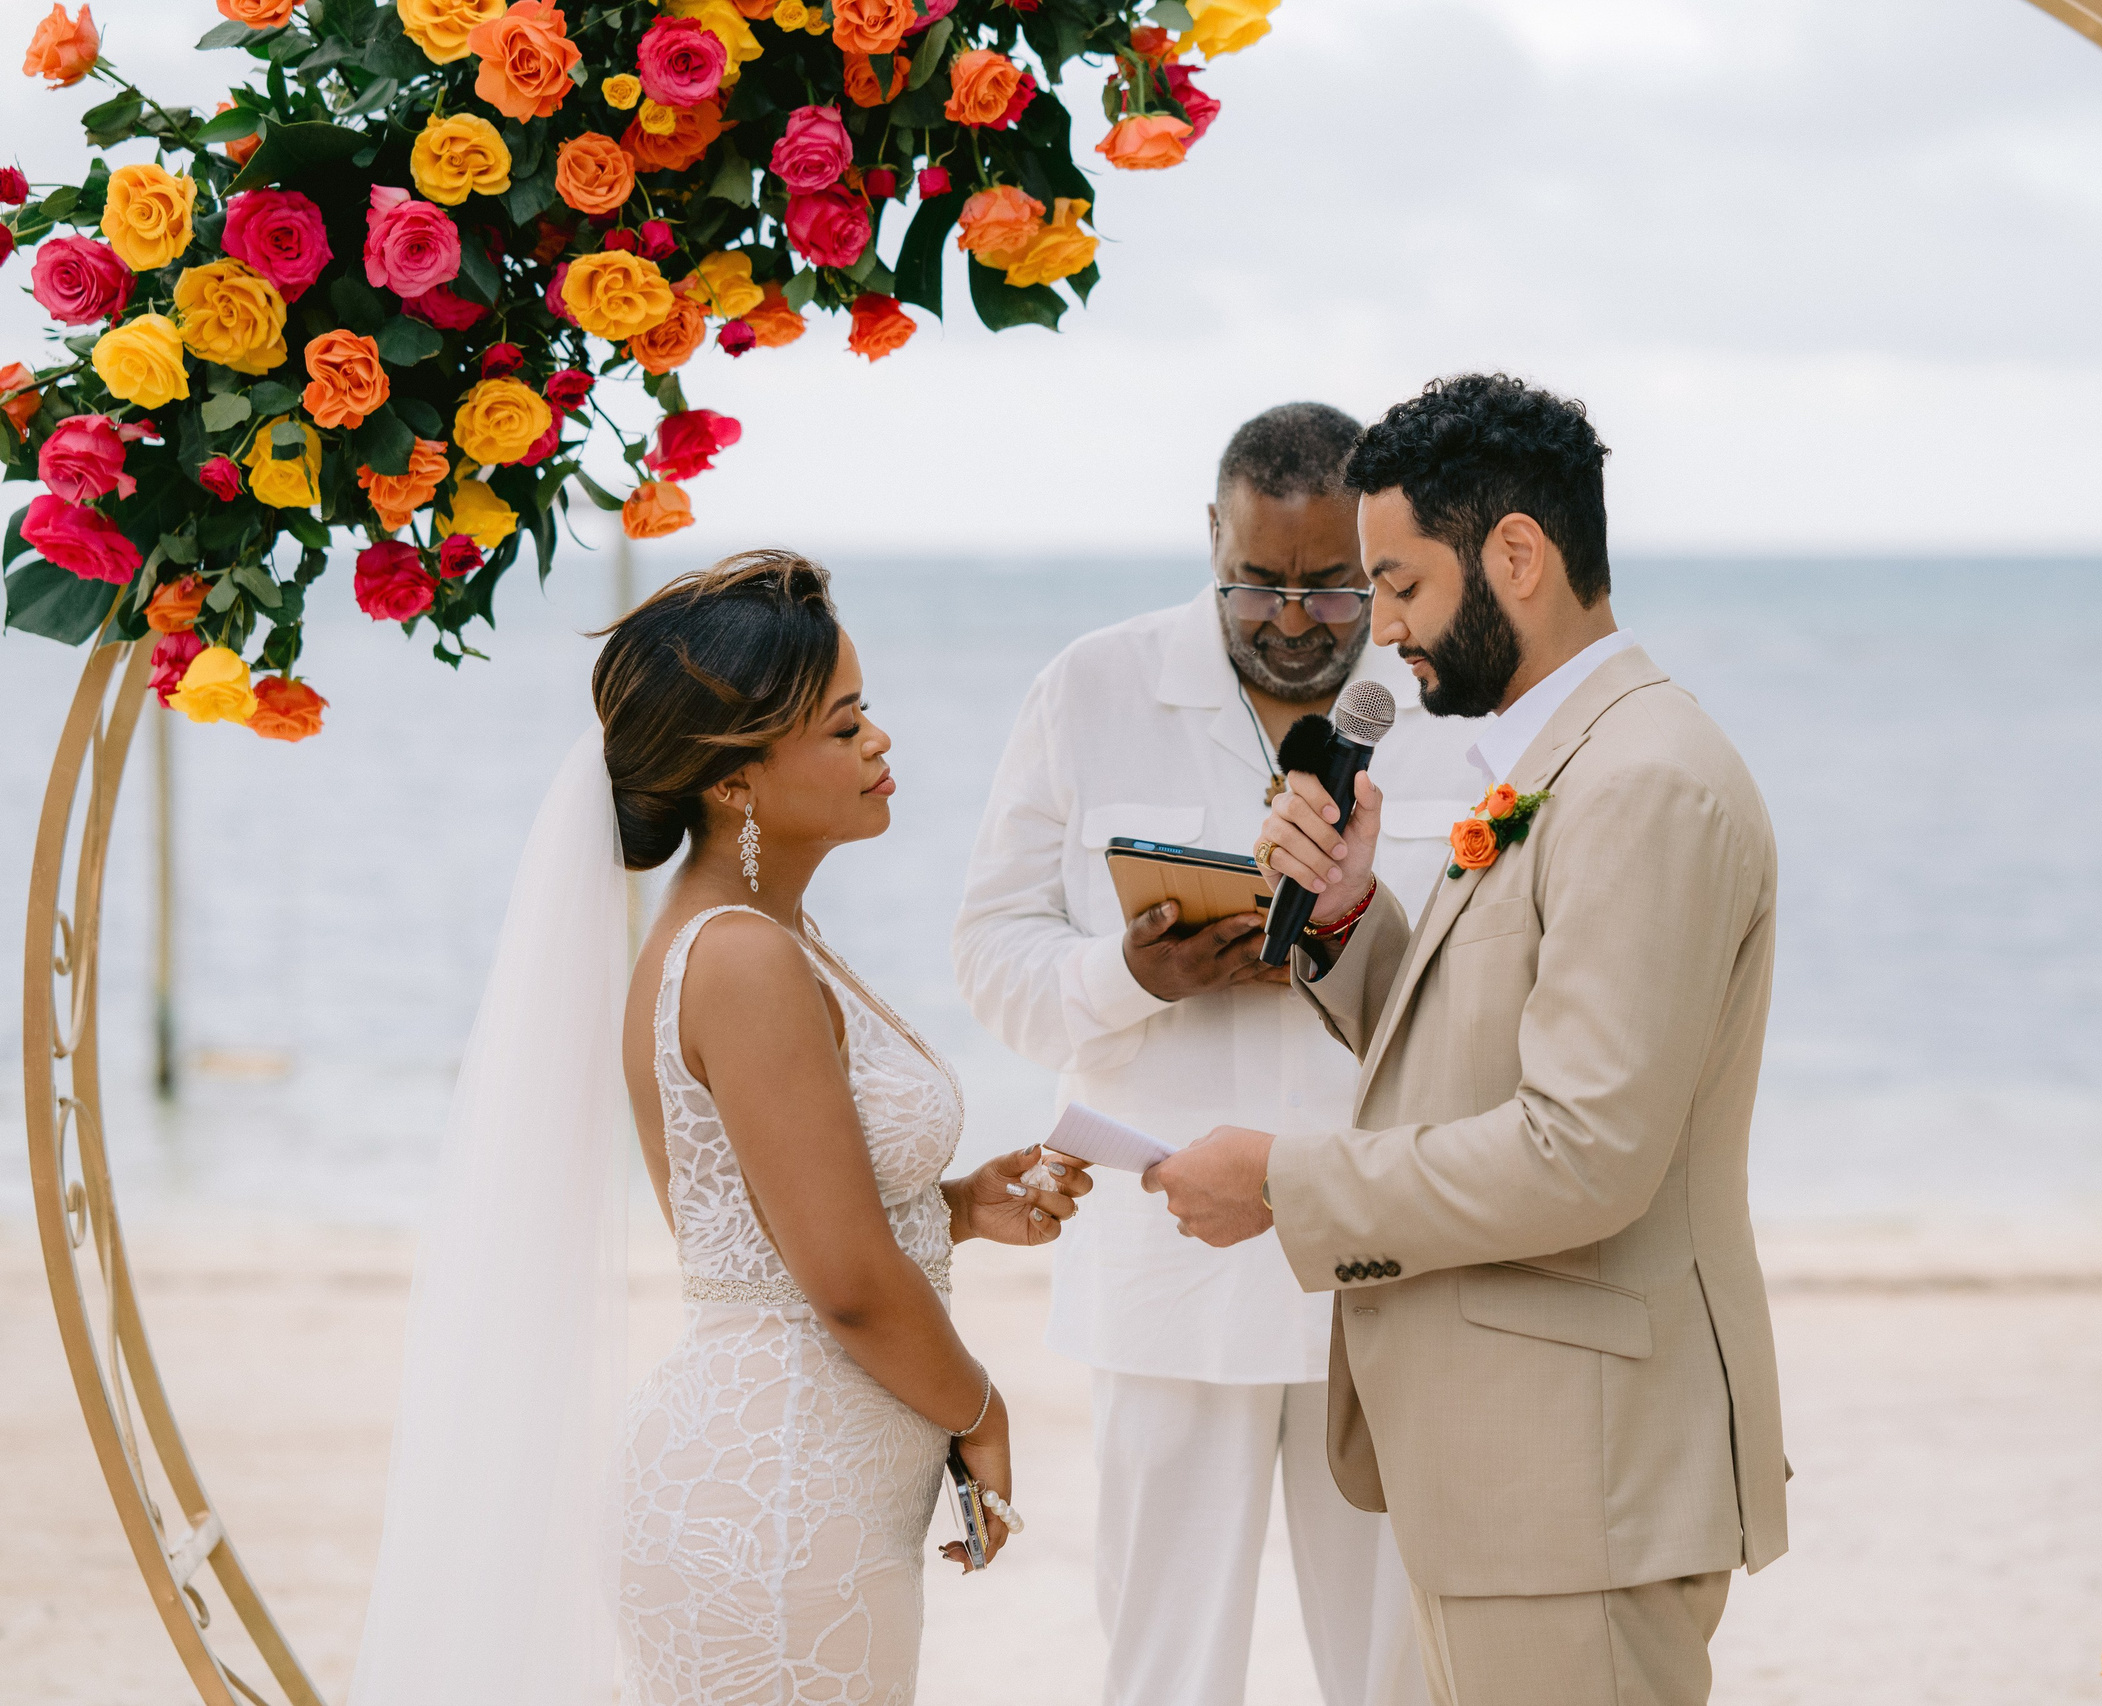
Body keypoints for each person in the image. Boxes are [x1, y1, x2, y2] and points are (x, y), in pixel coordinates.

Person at [347, 553, 1092, 1706]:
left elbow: (778, 1221)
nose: (880, 742)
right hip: (776, 1504)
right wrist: (981, 1408)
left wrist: (953, 1208)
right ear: (736, 779)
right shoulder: (741, 956)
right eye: (844, 726)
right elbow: (840, 1279)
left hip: (807, 1488)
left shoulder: (761, 934)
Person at [1145, 377, 1790, 1706]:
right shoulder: (1570, 761)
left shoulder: (1643, 779)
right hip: (1521, 1481)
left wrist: (1283, 1180)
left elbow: (1586, 1154)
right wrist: (1348, 921)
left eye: (1401, 585)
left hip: (1582, 1486)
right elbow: (1488, 1049)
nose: (1380, 630)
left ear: (1516, 556)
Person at [952, 404, 1483, 1706]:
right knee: (1165, 1671)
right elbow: (990, 960)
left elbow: (1497, 984)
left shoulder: (1450, 701)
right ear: (1211, 538)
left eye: (1333, 583)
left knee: (1398, 1667)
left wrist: (1354, 934)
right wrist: (1134, 973)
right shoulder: (1093, 684)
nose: (1296, 617)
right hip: (1167, 1265)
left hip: (1381, 1266)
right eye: (1261, 581)